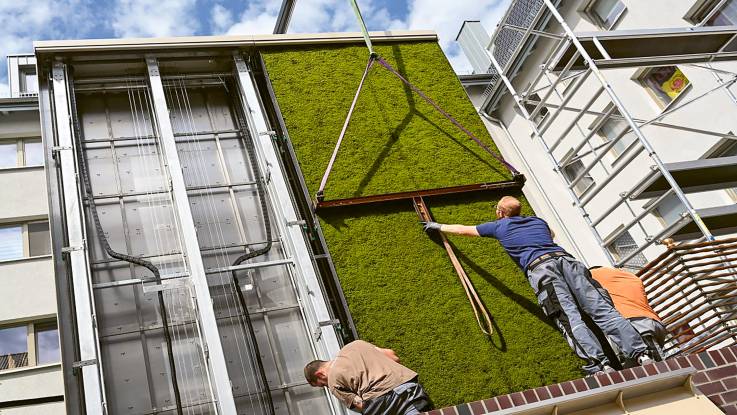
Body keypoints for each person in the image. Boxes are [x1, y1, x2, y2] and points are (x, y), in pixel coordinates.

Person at [422, 195, 652, 375]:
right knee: (601, 309)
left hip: (542, 269)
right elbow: (551, 234)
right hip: (568, 261)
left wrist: (437, 226)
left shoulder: (499, 226)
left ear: (500, 212)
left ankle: (600, 365)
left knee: (570, 317)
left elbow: (464, 229)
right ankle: (642, 354)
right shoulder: (537, 221)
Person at [304, 340, 431, 414]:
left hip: (383, 401)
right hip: (408, 388)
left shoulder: (333, 381)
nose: (326, 386)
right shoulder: (355, 345)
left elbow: (361, 405)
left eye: (322, 384)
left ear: (319, 374)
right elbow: (393, 357)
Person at [589, 266, 667, 352]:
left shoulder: (592, 275)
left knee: (655, 364)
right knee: (640, 364)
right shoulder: (627, 275)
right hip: (653, 322)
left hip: (634, 326)